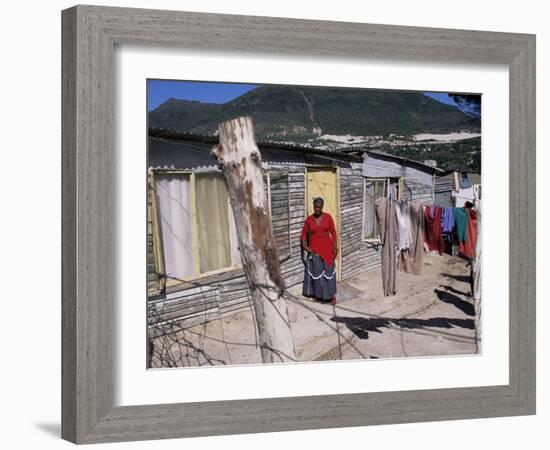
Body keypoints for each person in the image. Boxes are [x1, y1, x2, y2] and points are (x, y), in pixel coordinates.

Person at [300, 197, 338, 305]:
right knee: (317, 274)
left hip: (327, 250)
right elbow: (303, 234)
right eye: (315, 207)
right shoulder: (309, 220)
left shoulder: (328, 217)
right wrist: (305, 246)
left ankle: (331, 297)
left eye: (319, 207)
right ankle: (318, 295)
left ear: (322, 207)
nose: (317, 209)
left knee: (329, 273)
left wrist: (335, 247)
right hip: (315, 251)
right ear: (313, 206)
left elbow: (333, 233)